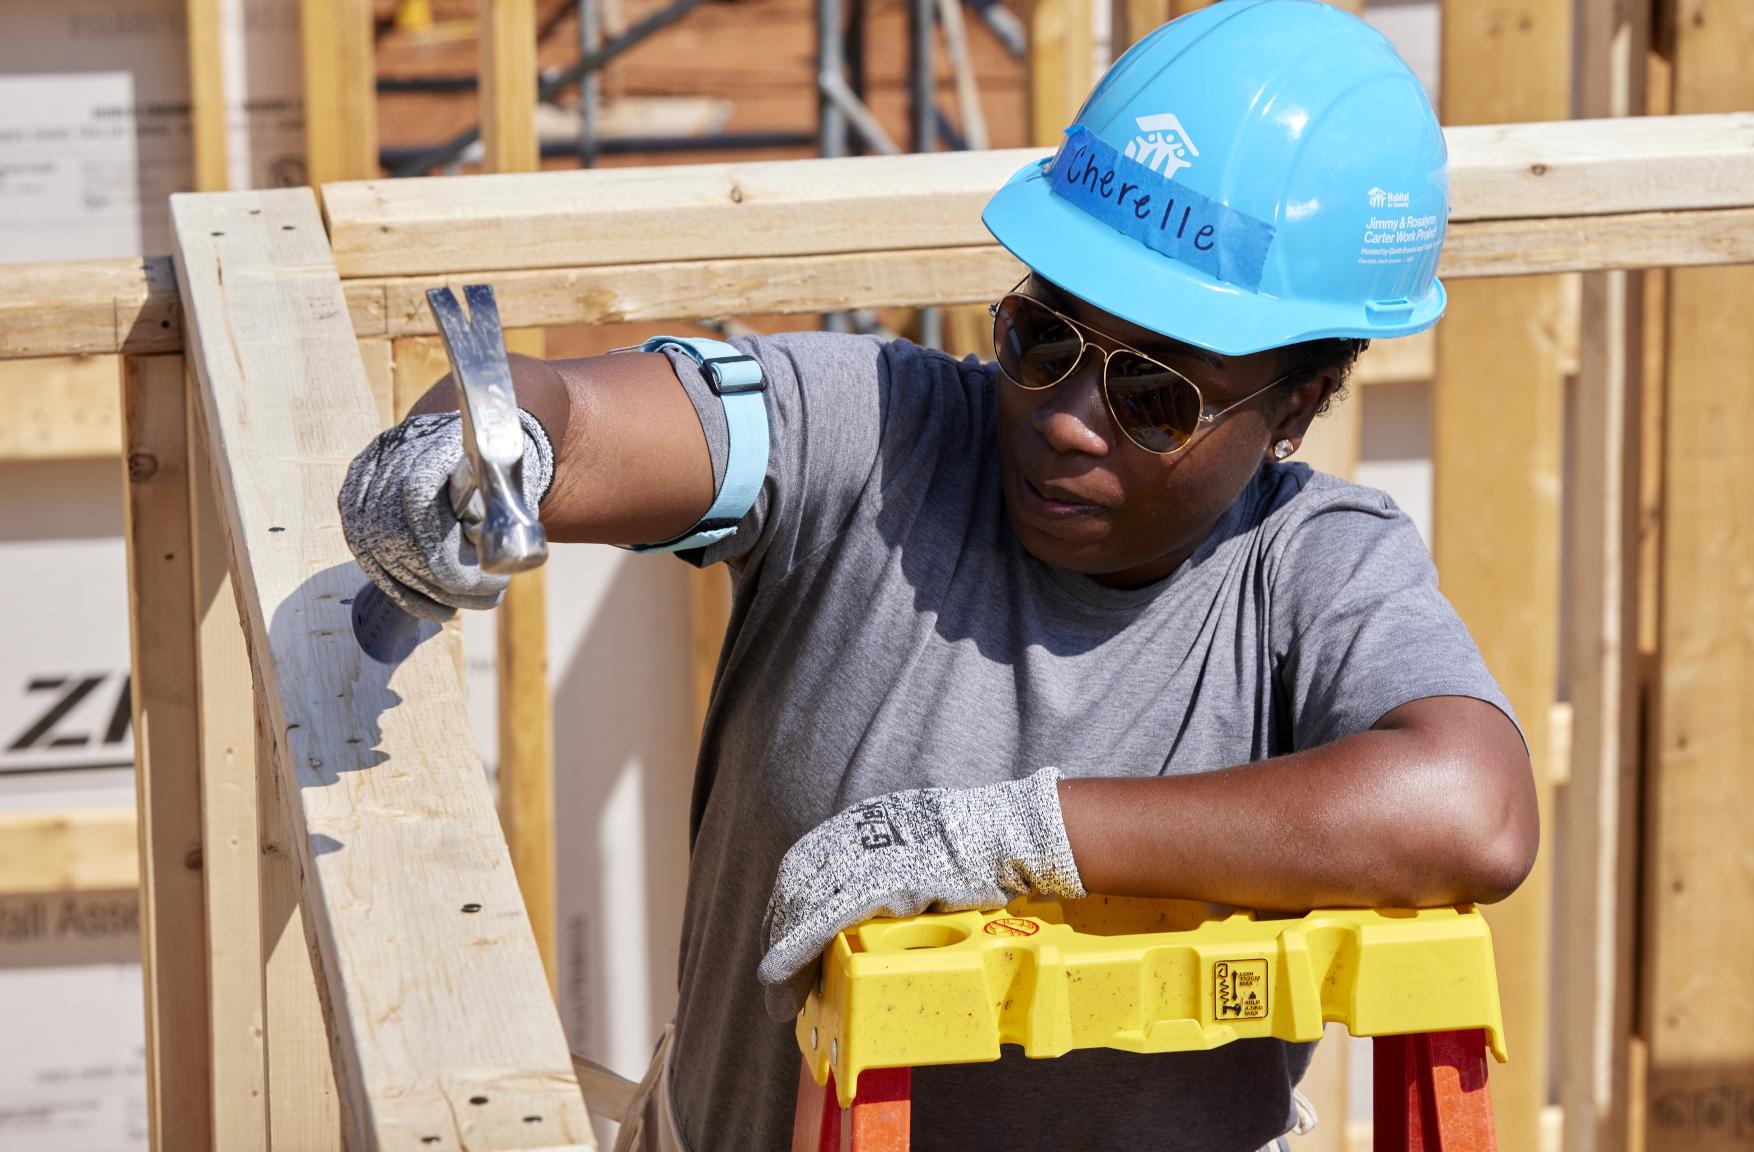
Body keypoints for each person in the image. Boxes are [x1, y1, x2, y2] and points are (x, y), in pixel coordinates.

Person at [338, 1, 1535, 1148]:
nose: (1067, 418)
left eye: (1153, 395)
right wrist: (480, 446)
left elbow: (1470, 808)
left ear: (1299, 404)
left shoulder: (1309, 571)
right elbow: (582, 420)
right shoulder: (880, 435)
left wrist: (1019, 836)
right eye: (1042, 337)